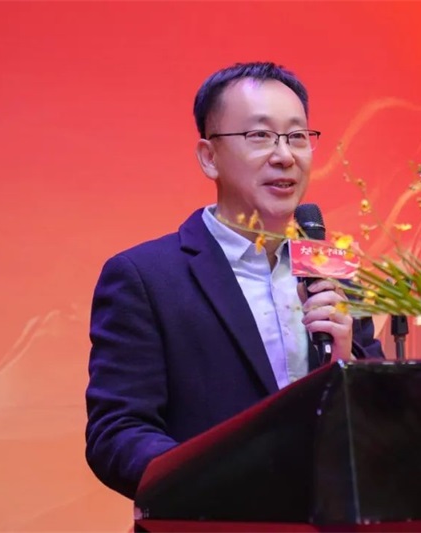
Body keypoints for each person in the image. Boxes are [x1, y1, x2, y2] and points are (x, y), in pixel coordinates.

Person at [85, 62, 384, 499]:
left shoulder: (332, 272)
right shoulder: (145, 278)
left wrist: (347, 363)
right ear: (209, 157)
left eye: (297, 136)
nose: (284, 156)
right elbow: (117, 432)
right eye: (259, 135)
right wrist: (218, 483)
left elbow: (381, 422)